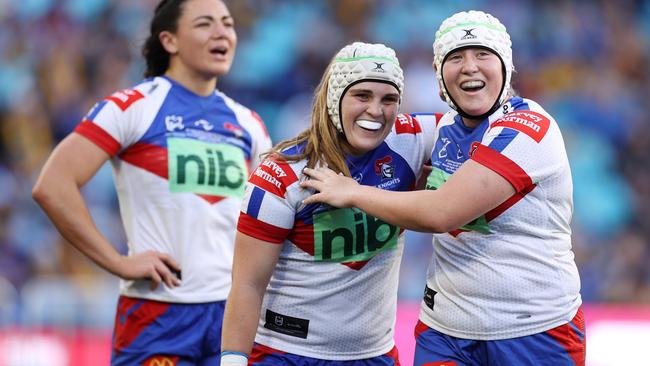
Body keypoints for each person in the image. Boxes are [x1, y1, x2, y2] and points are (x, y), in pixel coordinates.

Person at [302, 10, 585, 366]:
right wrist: (299, 155)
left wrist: (352, 192)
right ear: (440, 81)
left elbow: (441, 212)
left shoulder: (529, 128)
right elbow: (368, 125)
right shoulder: (442, 127)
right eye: (455, 57)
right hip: (445, 330)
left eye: (482, 54)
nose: (469, 66)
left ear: (506, 69)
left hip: (534, 331)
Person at [32, 0, 272, 364]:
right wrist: (117, 261)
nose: (222, 32)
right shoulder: (132, 107)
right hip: (157, 314)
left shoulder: (249, 124)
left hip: (232, 315)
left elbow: (265, 218)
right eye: (206, 24)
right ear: (169, 41)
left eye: (227, 23)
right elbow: (52, 185)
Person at [219, 42, 437, 366]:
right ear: (335, 98)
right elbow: (247, 286)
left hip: (374, 356)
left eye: (388, 99)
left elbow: (479, 126)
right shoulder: (280, 176)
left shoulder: (415, 139)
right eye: (362, 96)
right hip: (288, 355)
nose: (376, 111)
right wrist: (233, 361)